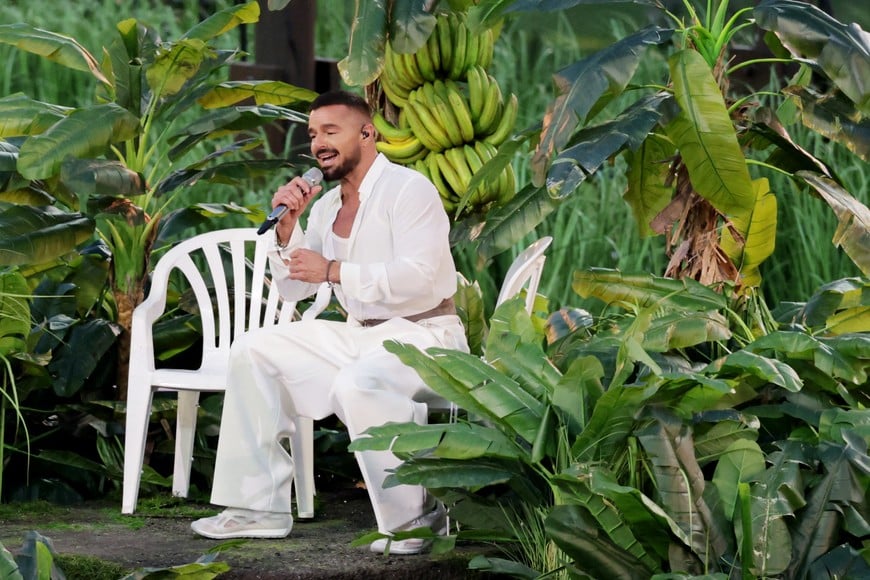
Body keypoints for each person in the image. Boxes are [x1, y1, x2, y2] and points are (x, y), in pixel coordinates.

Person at [190, 90, 468, 555]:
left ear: (367, 132)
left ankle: (417, 521)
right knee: (254, 350)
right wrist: (287, 230)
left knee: (360, 383)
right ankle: (259, 508)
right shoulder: (324, 207)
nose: (318, 143)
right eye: (313, 134)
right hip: (361, 333)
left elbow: (420, 281)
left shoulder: (409, 189)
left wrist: (334, 271)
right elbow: (295, 289)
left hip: (425, 335)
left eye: (330, 131)